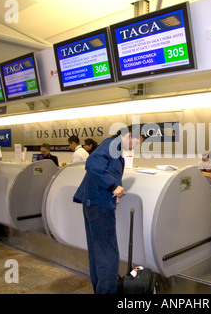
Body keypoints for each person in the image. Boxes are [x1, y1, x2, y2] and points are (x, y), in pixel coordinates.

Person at [73, 125, 145, 294]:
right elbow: (92, 163)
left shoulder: (112, 146)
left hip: (93, 203)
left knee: (97, 252)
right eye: (136, 142)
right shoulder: (113, 144)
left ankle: (101, 289)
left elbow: (100, 170)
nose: (136, 146)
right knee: (108, 254)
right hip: (100, 207)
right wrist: (113, 186)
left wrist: (112, 190)